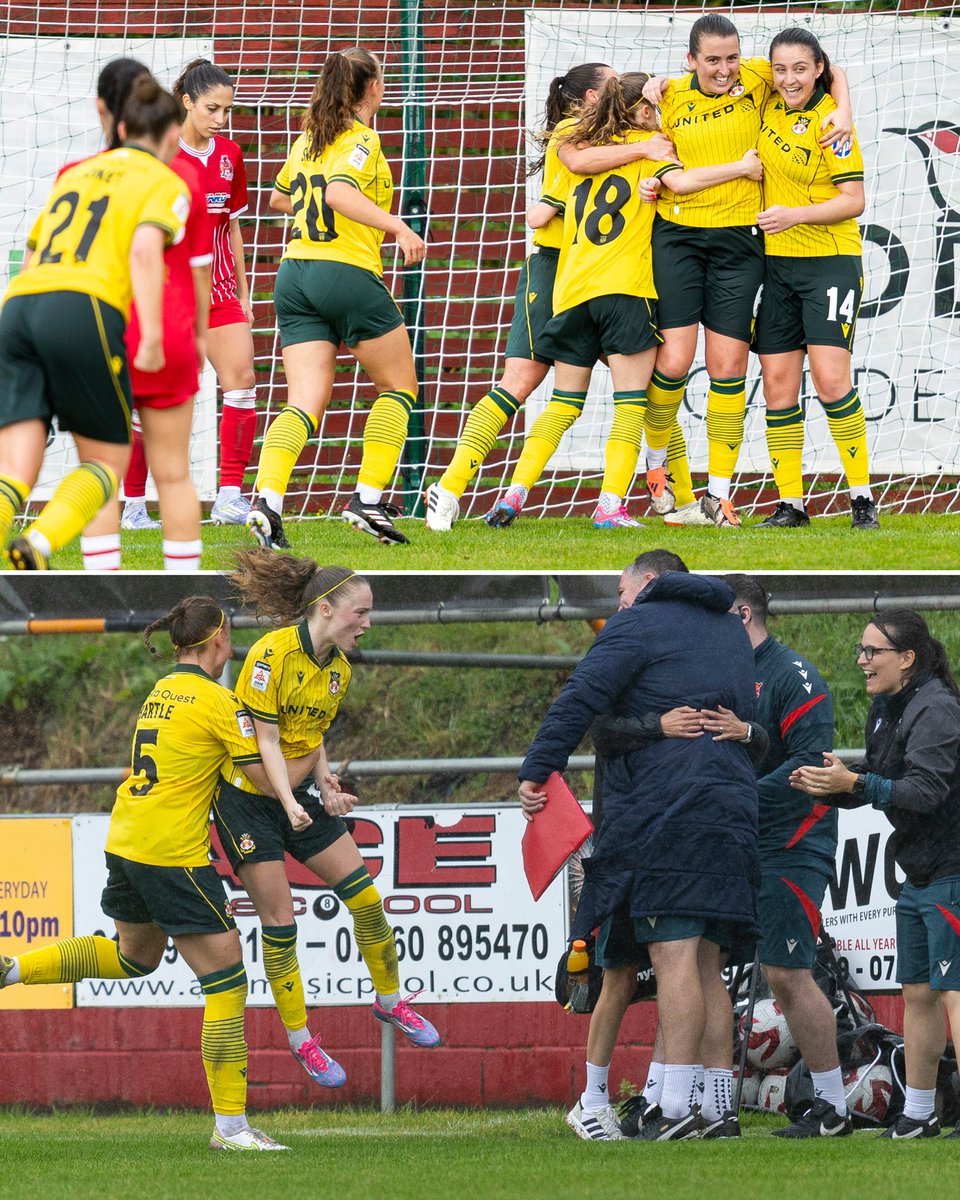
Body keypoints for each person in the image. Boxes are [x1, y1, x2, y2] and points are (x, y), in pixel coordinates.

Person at [0, 595, 310, 1150]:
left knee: (133, 958)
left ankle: (11, 969)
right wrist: (309, 764)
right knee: (228, 979)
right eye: (230, 634)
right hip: (170, 851)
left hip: (125, 838)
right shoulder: (218, 701)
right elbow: (261, 778)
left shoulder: (162, 689)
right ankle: (232, 1129)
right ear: (218, 639)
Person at [519, 552, 760, 1140]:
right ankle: (718, 1107)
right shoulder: (730, 627)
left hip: (667, 812)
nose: (618, 602)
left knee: (671, 957)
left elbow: (580, 698)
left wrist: (536, 770)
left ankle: (673, 1106)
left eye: (623, 591)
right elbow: (748, 722)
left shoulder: (638, 622)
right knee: (707, 963)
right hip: (732, 812)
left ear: (647, 584)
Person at [484, 73, 763, 529]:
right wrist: (741, 168)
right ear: (644, 110)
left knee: (561, 405)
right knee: (634, 403)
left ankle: (514, 495)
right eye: (653, 109)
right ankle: (611, 506)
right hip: (625, 290)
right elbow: (687, 185)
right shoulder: (651, 150)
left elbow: (542, 208)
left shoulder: (584, 154)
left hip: (572, 293)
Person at [214, 550, 440, 1087]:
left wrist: (325, 783)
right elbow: (265, 739)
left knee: (365, 896)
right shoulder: (271, 655)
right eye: (359, 613)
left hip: (294, 793)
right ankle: (302, 1041)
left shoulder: (338, 670)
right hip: (247, 800)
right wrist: (291, 803)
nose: (367, 623)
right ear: (323, 609)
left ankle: (390, 1001)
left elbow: (308, 735)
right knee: (281, 923)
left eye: (368, 613)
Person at [423, 62, 675, 532]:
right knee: (525, 382)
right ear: (591, 100)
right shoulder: (575, 134)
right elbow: (541, 214)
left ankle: (657, 485)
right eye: (612, 84)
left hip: (583, 274)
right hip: (563, 268)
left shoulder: (605, 142)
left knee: (637, 386)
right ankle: (452, 484)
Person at [640, 13, 852, 528]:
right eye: (712, 60)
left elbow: (829, 69)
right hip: (678, 235)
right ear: (690, 61)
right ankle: (656, 464)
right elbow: (634, 140)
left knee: (728, 366)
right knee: (672, 361)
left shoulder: (760, 75)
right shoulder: (666, 95)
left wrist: (843, 109)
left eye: (731, 57)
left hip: (741, 242)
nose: (725, 69)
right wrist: (651, 177)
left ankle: (717, 496)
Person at [0, 76, 190, 570]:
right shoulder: (165, 181)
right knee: (106, 462)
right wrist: (150, 336)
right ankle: (39, 543)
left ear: (122, 127)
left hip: (19, 306)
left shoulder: (78, 172)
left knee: (14, 468)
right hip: (82, 306)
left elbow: (34, 251)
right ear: (173, 136)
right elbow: (145, 249)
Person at [247, 47, 426, 551]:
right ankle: (367, 500)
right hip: (344, 272)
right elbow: (338, 195)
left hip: (293, 274)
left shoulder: (310, 137)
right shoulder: (361, 140)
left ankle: (268, 503)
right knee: (399, 387)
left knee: (303, 401)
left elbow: (280, 198)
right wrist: (397, 227)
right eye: (384, 80)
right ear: (372, 87)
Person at [791, 610, 960, 1139]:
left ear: (907, 660)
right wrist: (833, 783)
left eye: (873, 652)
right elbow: (886, 781)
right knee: (918, 995)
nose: (862, 661)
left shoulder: (937, 710)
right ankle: (919, 1114)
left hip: (952, 873)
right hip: (919, 872)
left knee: (955, 993)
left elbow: (924, 793)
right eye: (862, 651)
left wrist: (854, 786)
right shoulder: (887, 709)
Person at [721, 574, 848, 1137]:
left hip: (795, 842)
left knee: (787, 971)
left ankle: (833, 1109)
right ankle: (705, 1103)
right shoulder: (723, 672)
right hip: (742, 841)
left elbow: (812, 766)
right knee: (705, 963)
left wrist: (739, 795)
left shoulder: (792, 674)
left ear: (743, 613)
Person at [78, 57, 211, 572]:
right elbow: (199, 272)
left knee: (98, 473)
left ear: (108, 113)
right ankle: (183, 594)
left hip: (97, 330)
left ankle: (101, 594)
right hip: (167, 331)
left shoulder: (79, 174)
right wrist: (199, 337)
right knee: (174, 474)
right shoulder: (183, 177)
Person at [753, 28, 879, 531]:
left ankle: (862, 499)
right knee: (778, 385)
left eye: (800, 69)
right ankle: (792, 505)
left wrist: (796, 215)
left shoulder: (832, 124)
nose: (788, 79)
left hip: (829, 261)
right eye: (780, 69)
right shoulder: (764, 99)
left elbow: (854, 201)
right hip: (776, 266)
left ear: (819, 68)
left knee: (831, 381)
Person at [171, 58, 257, 527]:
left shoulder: (230, 155)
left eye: (227, 110)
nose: (221, 119)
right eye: (212, 108)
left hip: (222, 291)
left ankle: (229, 497)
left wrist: (245, 292)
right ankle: (137, 507)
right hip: (174, 293)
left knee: (242, 382)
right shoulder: (160, 155)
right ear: (187, 102)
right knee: (163, 398)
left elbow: (233, 229)